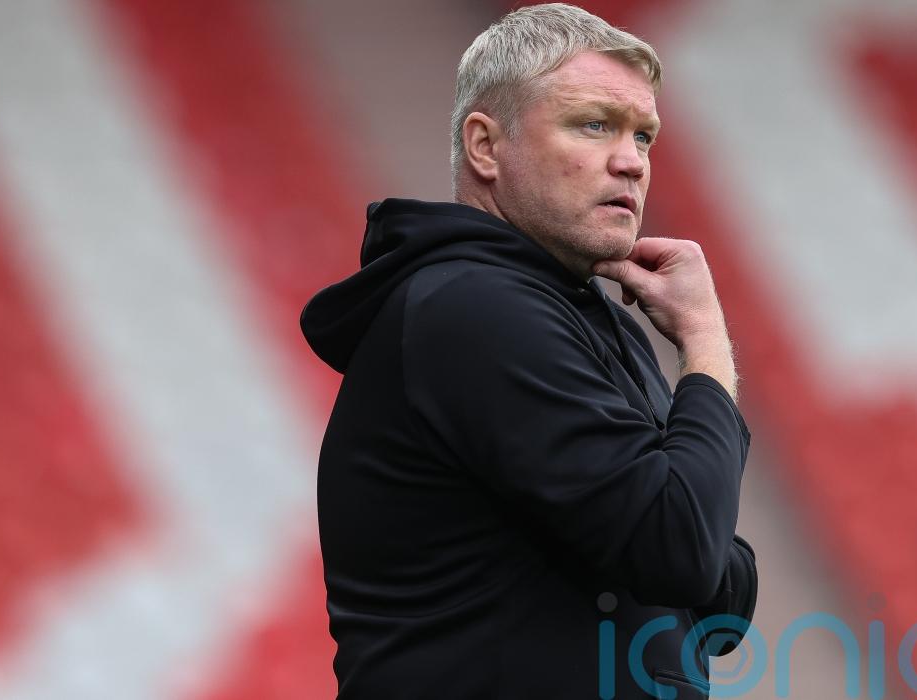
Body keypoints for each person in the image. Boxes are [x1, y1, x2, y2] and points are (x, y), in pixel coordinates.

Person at [300, 4, 756, 698]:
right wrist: (704, 340)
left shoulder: (587, 320)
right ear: (485, 146)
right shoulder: (475, 309)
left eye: (643, 135)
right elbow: (685, 548)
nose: (631, 161)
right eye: (594, 124)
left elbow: (724, 602)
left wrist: (687, 518)